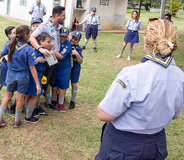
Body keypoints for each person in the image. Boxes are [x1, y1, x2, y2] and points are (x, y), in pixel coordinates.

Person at [95, 19, 184, 160]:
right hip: (156, 144)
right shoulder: (180, 76)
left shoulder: (133, 74)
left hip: (124, 145)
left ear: (146, 42)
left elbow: (104, 114)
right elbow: (175, 114)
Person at [0, 25, 41, 128]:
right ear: (25, 35)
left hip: (10, 75)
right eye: (29, 33)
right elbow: (32, 68)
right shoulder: (29, 49)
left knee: (7, 96)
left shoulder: (10, 44)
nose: (30, 35)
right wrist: (38, 84)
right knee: (20, 98)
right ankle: (16, 121)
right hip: (23, 76)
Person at [29, 6, 66, 110]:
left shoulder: (58, 27)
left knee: (50, 80)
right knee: (44, 79)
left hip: (54, 59)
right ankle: (36, 105)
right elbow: (31, 37)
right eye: (63, 15)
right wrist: (40, 48)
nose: (65, 17)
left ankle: (48, 102)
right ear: (57, 15)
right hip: (47, 58)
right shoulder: (44, 26)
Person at [25, 33, 52, 122]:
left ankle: (28, 112)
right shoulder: (40, 51)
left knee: (29, 94)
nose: (50, 43)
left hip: (35, 75)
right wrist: (38, 60)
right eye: (48, 42)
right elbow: (52, 62)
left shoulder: (39, 50)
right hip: (35, 75)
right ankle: (28, 116)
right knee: (36, 95)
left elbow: (50, 63)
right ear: (41, 42)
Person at [0, 26, 16, 105]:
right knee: (2, 82)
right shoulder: (8, 44)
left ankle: (8, 99)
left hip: (11, 67)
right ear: (9, 35)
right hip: (5, 66)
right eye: (14, 33)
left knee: (9, 83)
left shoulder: (16, 42)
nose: (17, 34)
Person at [52, 27, 72, 112]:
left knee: (62, 87)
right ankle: (53, 101)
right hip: (55, 66)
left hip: (64, 68)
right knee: (54, 86)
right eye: (61, 36)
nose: (63, 38)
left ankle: (60, 103)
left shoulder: (68, 44)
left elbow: (61, 56)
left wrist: (50, 50)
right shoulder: (55, 42)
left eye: (65, 37)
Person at [69, 30, 83, 109]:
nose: (73, 40)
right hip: (67, 67)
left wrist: (77, 54)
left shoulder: (78, 48)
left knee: (74, 83)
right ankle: (61, 97)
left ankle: (72, 100)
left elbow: (81, 61)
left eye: (75, 39)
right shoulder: (66, 44)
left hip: (75, 67)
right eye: (72, 37)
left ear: (78, 41)